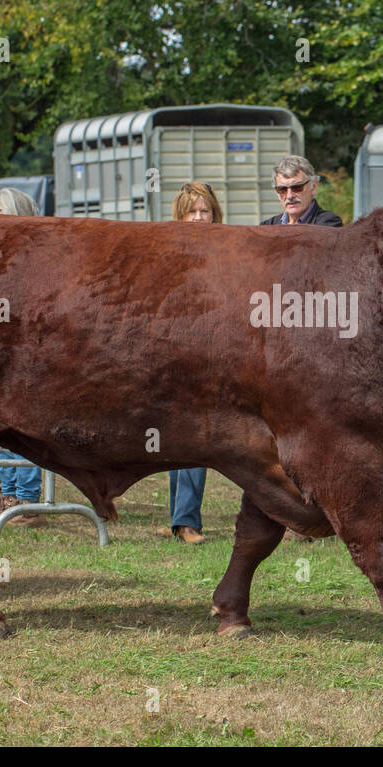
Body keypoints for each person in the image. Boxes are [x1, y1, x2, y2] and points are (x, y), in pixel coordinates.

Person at [155, 182, 223, 544]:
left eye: (205, 210)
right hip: (179, 353)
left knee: (195, 438)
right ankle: (182, 520)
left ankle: (184, 520)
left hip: (214, 353)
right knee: (185, 439)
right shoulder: (170, 253)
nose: (200, 217)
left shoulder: (227, 251)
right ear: (180, 216)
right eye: (193, 211)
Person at [0, 186, 46, 527]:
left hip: (23, 352)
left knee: (23, 427)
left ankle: (28, 504)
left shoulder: (29, 255)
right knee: (0, 427)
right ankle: (8, 497)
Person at [260, 156, 343, 227]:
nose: (289, 196)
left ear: (314, 187)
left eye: (297, 187)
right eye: (282, 189)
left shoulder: (329, 224)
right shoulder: (267, 227)